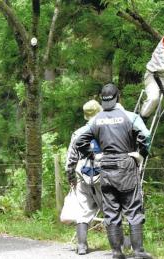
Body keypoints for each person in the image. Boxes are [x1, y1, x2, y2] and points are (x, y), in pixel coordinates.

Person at [76, 83, 152, 259]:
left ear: (101, 99)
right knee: (133, 208)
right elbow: (145, 136)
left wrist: (93, 155)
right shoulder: (130, 116)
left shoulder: (96, 120)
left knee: (111, 211)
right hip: (126, 164)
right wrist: (142, 153)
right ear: (118, 96)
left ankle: (116, 252)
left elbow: (80, 141)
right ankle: (138, 251)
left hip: (106, 167)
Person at [65, 99, 103, 255]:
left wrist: (70, 176)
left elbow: (71, 158)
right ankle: (119, 246)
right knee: (110, 209)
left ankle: (81, 245)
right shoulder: (106, 130)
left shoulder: (78, 133)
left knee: (83, 209)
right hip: (103, 174)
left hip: (82, 174)